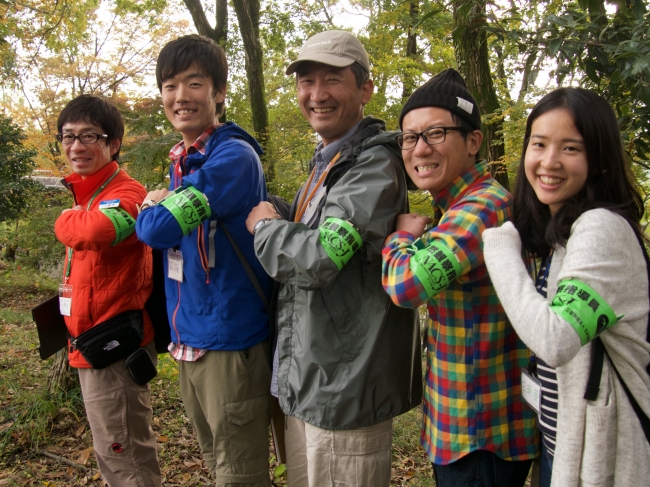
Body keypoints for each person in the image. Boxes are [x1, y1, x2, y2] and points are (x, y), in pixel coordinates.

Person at [245, 30, 422, 487]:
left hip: (344, 388)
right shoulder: (332, 159)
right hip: (314, 379)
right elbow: (322, 231)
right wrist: (281, 211)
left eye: (331, 80)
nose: (316, 94)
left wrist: (265, 227)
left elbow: (318, 257)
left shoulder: (373, 165)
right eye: (306, 81)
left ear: (365, 89)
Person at [482, 87, 650, 487]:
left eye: (571, 148)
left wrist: (500, 248)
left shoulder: (601, 227)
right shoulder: (567, 234)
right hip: (566, 444)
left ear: (600, 160)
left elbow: (555, 340)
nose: (549, 161)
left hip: (605, 456)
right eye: (539, 144)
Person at [381, 69, 539, 487]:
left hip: (481, 430)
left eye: (435, 133)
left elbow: (405, 287)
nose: (419, 148)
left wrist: (400, 237)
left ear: (473, 141)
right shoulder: (455, 208)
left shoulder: (483, 208)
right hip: (462, 424)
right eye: (410, 137)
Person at [135, 35, 272, 486]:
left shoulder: (232, 157)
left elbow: (155, 231)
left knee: (239, 473)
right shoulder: (185, 161)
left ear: (218, 92)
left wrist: (152, 205)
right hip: (190, 338)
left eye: (194, 83)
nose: (180, 97)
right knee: (217, 461)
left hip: (228, 339)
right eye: (170, 85)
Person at [54, 94, 161, 487]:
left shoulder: (128, 193)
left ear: (113, 143)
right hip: (89, 342)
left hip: (113, 345)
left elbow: (97, 231)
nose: (76, 147)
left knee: (126, 456)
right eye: (68, 137)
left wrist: (65, 219)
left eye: (89, 137)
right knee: (113, 452)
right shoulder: (90, 195)